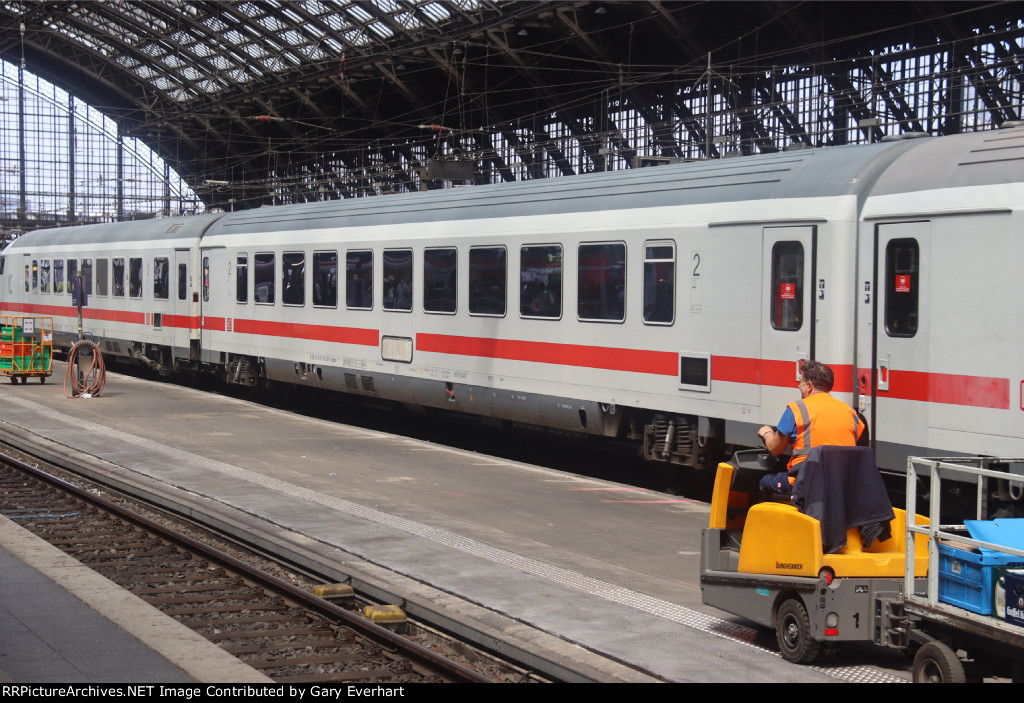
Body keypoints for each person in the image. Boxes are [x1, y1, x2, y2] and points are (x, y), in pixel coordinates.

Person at [758, 360, 866, 497]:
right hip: (841, 483)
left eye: (801, 383)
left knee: (764, 482)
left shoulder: (796, 409)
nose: (798, 386)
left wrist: (766, 433)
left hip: (804, 482)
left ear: (809, 386)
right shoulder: (850, 412)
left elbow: (775, 448)